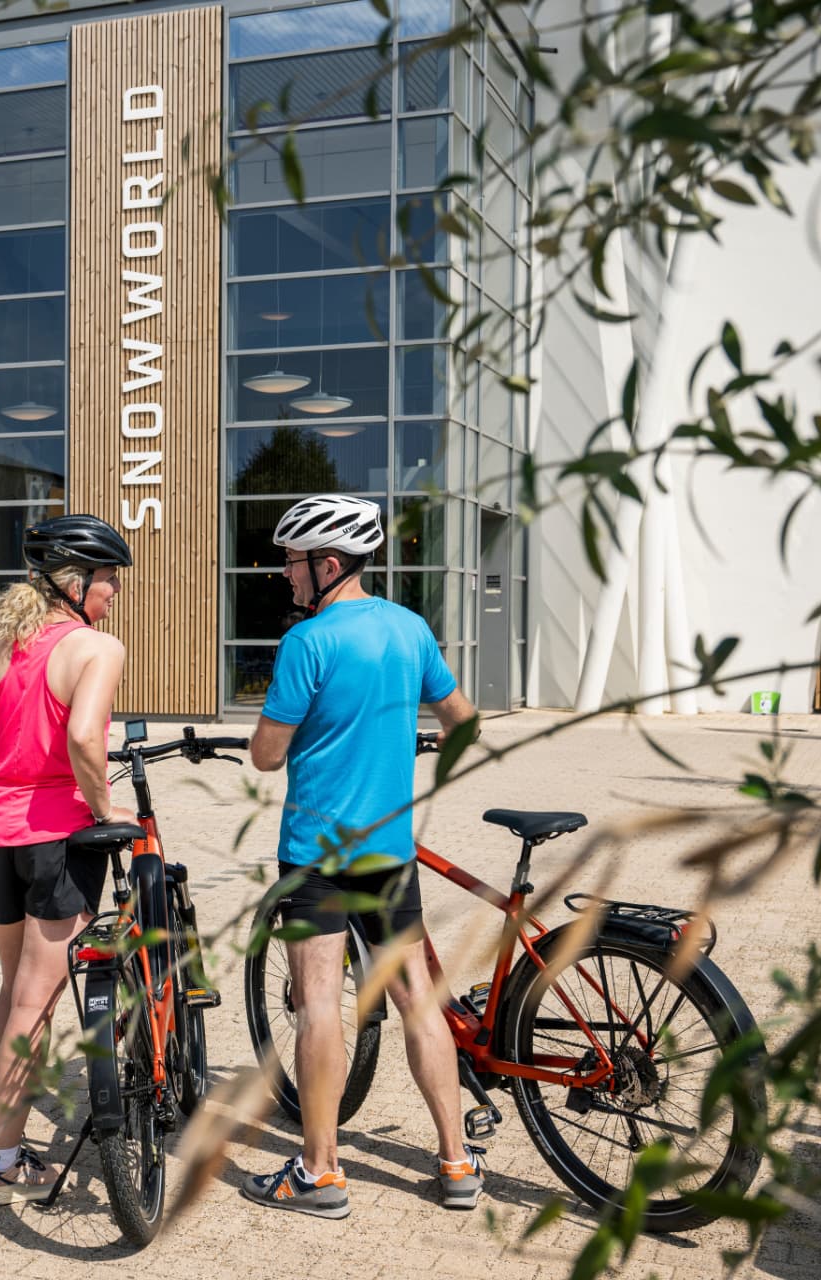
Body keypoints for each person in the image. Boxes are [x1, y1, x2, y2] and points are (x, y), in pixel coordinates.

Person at [240, 494, 483, 1220]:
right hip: (389, 853)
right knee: (418, 1002)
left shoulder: (307, 643)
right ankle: (455, 1161)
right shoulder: (410, 630)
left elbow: (264, 753)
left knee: (318, 1007)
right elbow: (464, 724)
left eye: (292, 563)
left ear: (329, 564)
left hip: (318, 856)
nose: (286, 576)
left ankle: (321, 1174)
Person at [0, 514, 130, 1205]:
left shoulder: (5, 637)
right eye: (107, 578)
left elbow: (9, 720)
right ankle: (3, 1159)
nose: (115, 590)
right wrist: (105, 811)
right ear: (75, 583)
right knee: (39, 999)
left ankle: (1, 1137)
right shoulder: (97, 648)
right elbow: (85, 740)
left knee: (15, 991)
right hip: (55, 837)